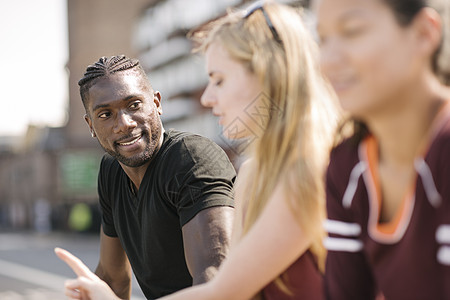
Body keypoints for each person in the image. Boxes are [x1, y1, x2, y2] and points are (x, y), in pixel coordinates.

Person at [55, 2, 340, 299]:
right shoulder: (255, 173)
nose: (207, 97)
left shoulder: (309, 171)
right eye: (105, 115)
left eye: (219, 79)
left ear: (268, 74)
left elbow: (222, 290)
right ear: (90, 124)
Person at [57, 55, 236, 299]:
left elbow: (214, 282)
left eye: (134, 105)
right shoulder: (111, 171)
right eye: (105, 115)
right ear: (90, 126)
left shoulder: (191, 159)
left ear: (157, 103)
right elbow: (113, 280)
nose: (124, 123)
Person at [313, 0, 450, 298]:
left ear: (424, 33)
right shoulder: (345, 165)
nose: (327, 60)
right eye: (322, 39)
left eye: (352, 32)